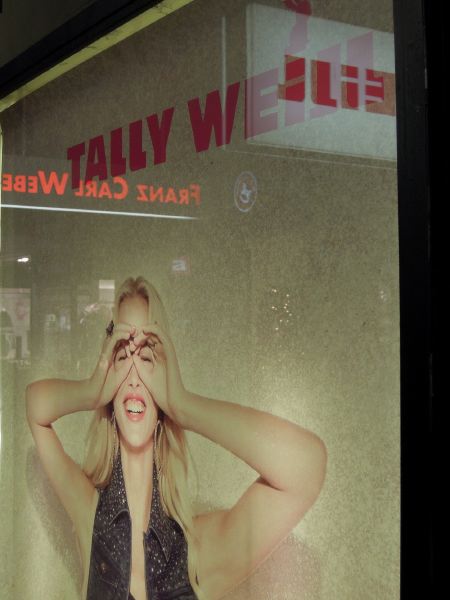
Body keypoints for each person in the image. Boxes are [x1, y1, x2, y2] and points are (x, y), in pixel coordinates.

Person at [26, 276, 327, 600]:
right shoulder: (89, 512)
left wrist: (183, 406)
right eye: (123, 357)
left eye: (146, 358)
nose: (135, 379)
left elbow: (306, 466)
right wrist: (91, 390)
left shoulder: (200, 548)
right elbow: (36, 407)